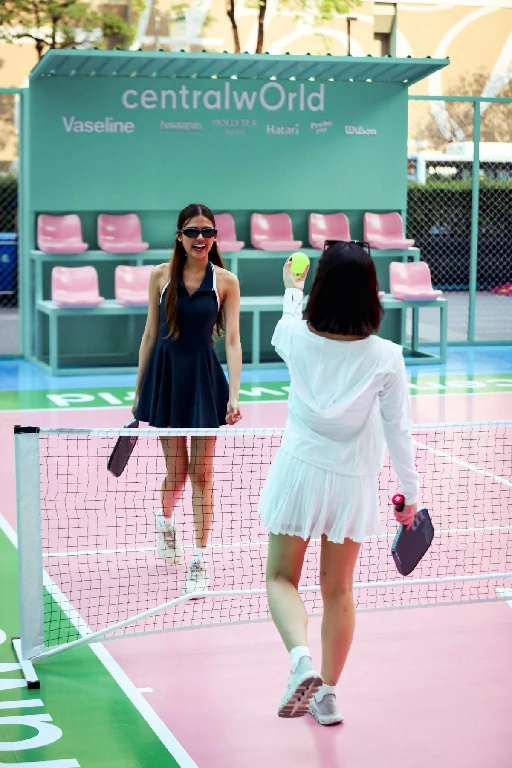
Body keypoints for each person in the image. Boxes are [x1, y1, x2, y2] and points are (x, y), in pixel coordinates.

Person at [258, 241, 419, 724]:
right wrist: (410, 494)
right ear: (371, 291)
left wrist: (292, 288)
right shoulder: (386, 356)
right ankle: (326, 695)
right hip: (351, 482)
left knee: (281, 578)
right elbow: (398, 429)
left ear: (322, 286)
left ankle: (300, 660)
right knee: (339, 590)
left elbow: (287, 323)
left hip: (298, 472)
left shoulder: (294, 338)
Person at [133, 203, 242, 596]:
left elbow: (233, 340)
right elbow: (150, 334)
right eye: (193, 231)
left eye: (207, 232)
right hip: (166, 378)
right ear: (179, 236)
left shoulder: (226, 281)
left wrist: (234, 395)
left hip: (203, 380)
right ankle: (165, 523)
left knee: (203, 475)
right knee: (177, 472)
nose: (200, 238)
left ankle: (199, 559)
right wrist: (139, 390)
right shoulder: (160, 276)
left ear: (214, 238)